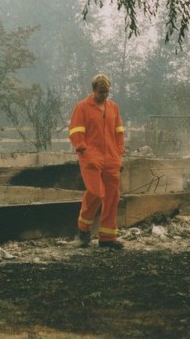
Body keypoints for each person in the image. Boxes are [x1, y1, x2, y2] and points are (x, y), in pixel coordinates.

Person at [68, 73, 126, 249]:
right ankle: (83, 231)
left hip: (111, 158)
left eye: (107, 92)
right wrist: (82, 148)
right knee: (96, 193)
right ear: (94, 90)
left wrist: (118, 152)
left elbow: (119, 131)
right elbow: (76, 130)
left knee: (112, 197)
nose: (104, 95)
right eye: (101, 92)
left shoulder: (113, 108)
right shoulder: (82, 107)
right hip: (91, 157)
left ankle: (107, 238)